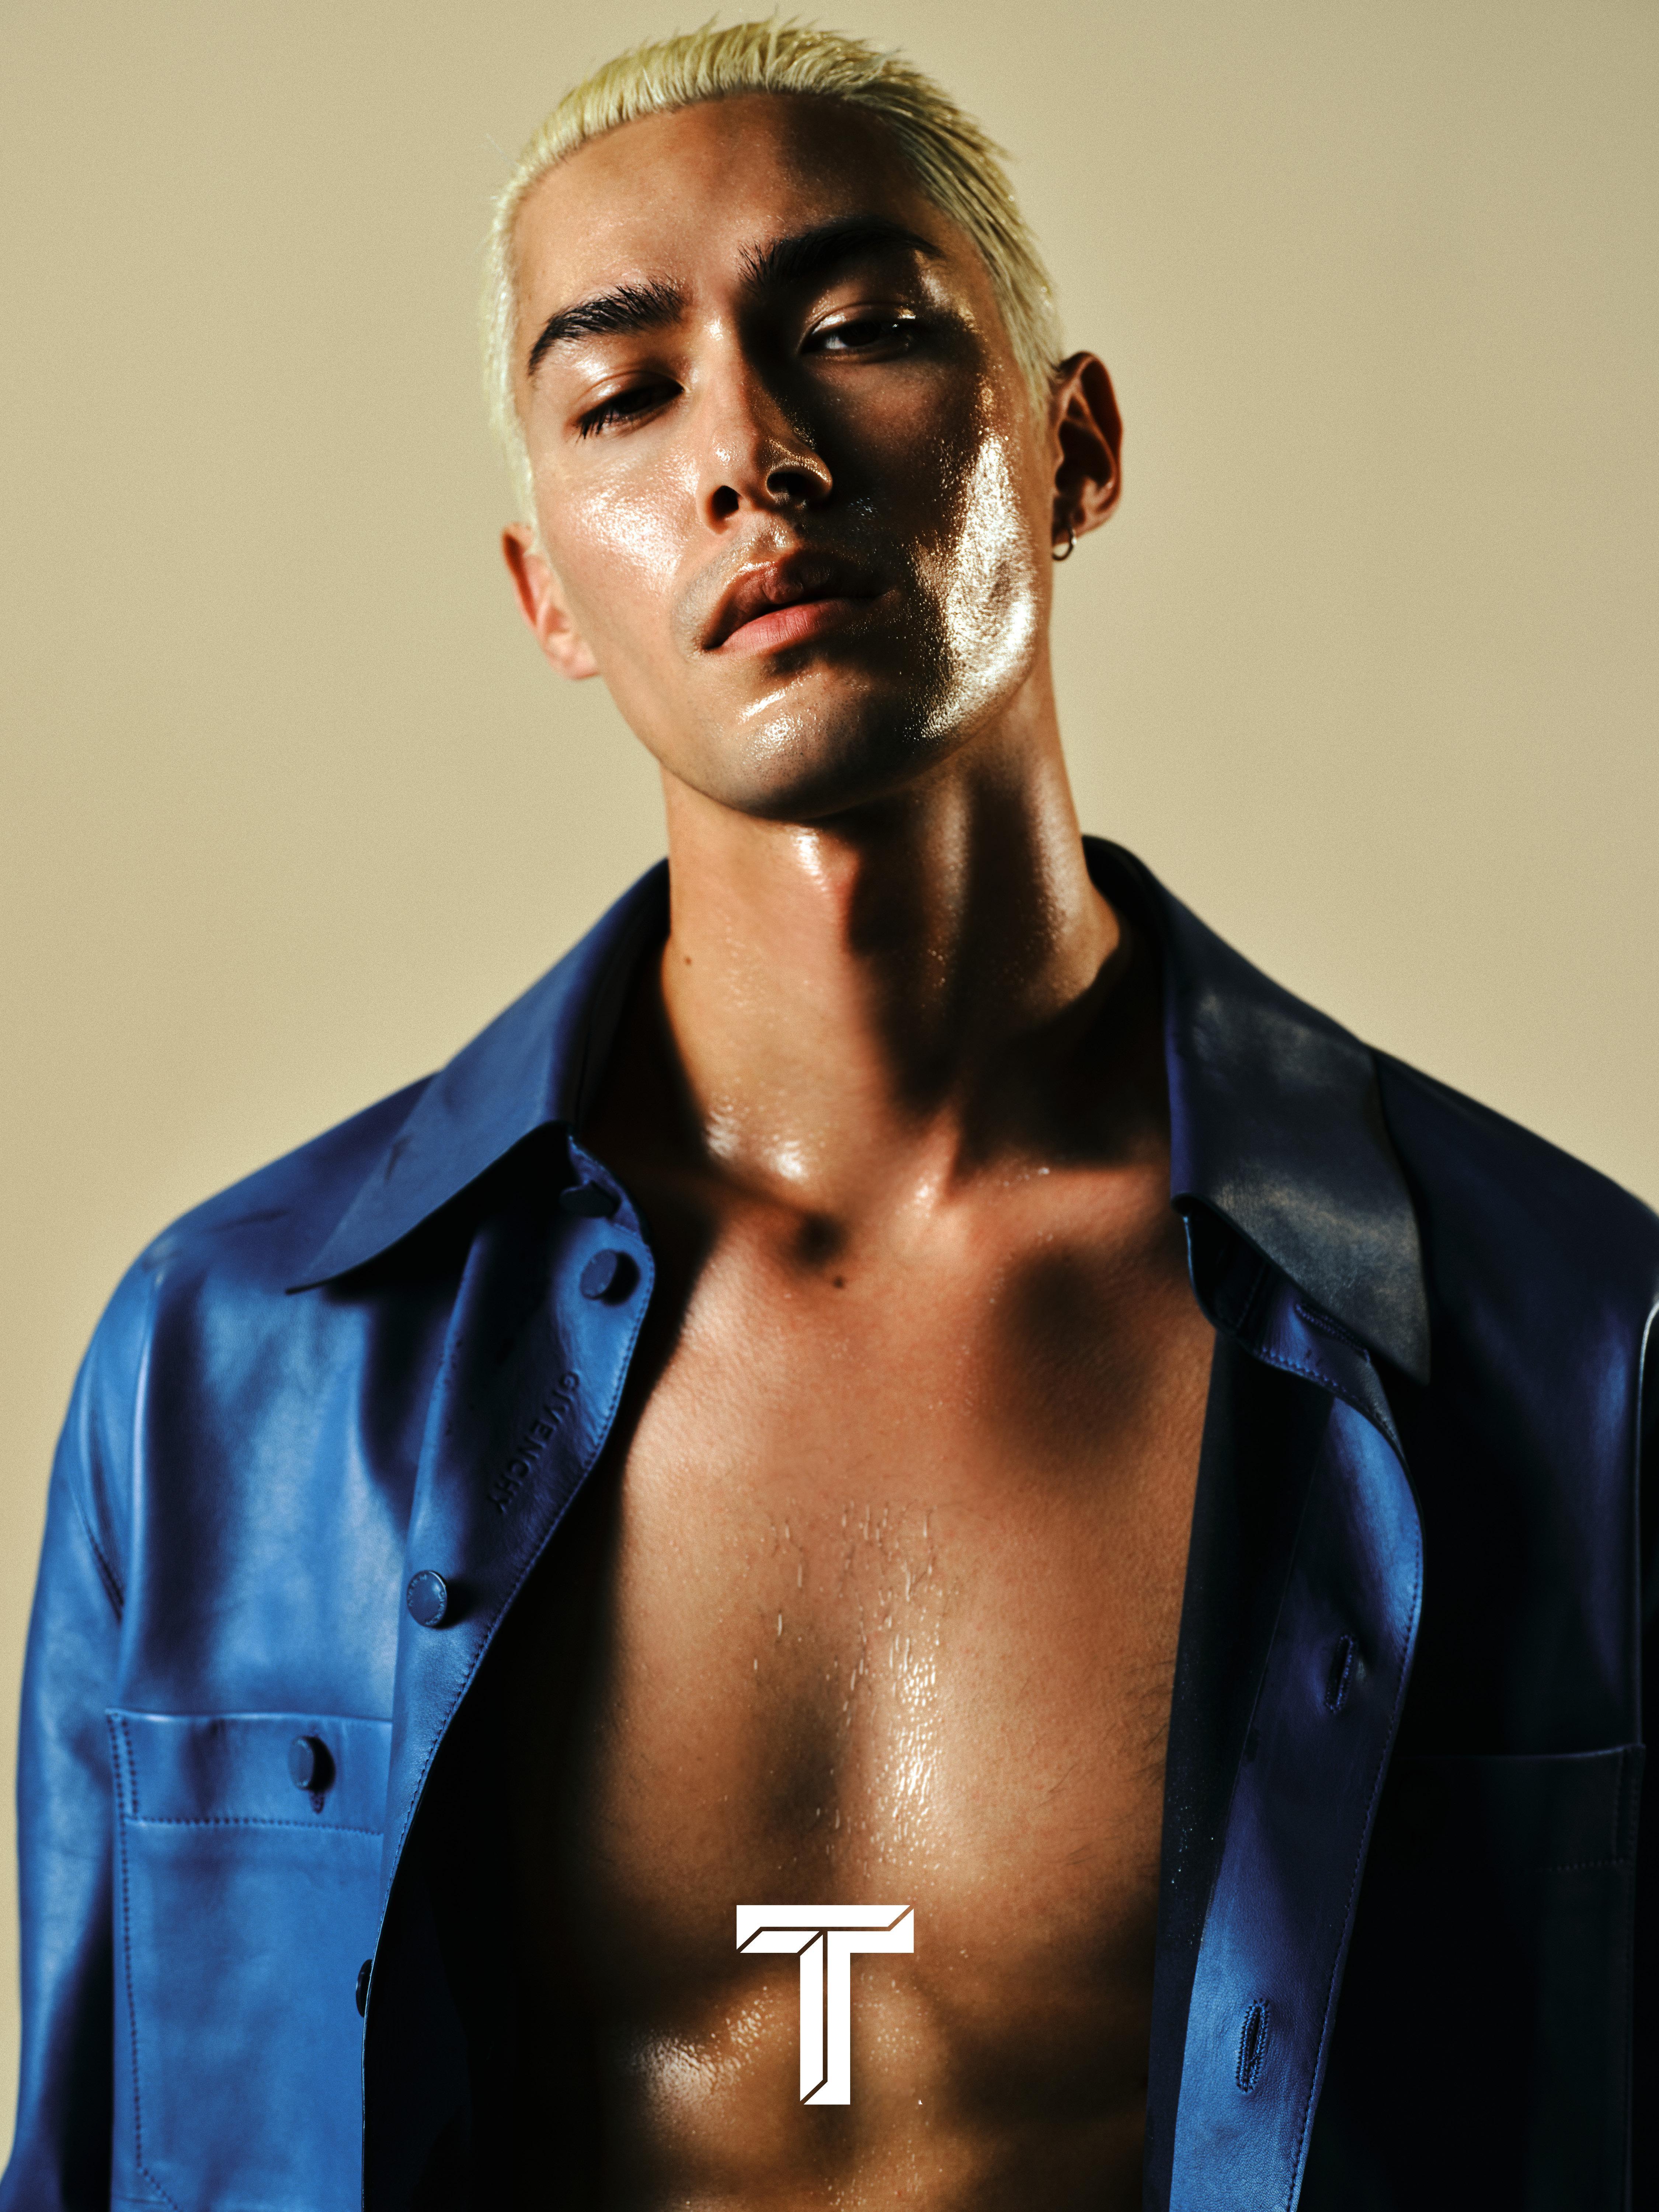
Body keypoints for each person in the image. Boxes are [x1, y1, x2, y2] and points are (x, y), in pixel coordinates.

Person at [3, 21, 1654, 2212]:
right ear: (546, 595)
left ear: (1072, 446)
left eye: (861, 330)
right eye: (624, 393)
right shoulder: (233, 1366)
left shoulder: (1574, 1345)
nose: (751, 453)